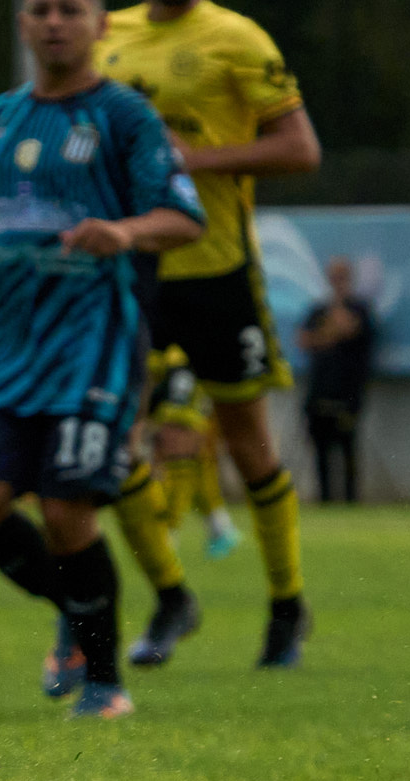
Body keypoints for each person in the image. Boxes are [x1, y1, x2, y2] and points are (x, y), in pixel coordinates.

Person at [0, 0, 206, 722]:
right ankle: (78, 608)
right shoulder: (3, 114)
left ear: (100, 25)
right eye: (40, 10)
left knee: (67, 508)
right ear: (22, 23)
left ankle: (105, 684)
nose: (54, 22)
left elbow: (184, 216)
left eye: (71, 9)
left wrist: (125, 231)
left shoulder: (126, 116)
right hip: (7, 344)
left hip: (94, 343)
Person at [98, 0, 323, 669]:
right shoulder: (105, 33)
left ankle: (286, 605)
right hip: (132, 270)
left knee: (248, 444)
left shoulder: (236, 38)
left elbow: (301, 149)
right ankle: (171, 596)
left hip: (216, 270)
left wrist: (195, 160)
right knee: (112, 442)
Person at [144, 346, 242, 558]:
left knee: (179, 464)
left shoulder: (177, 359)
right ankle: (220, 527)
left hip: (183, 405)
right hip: (193, 400)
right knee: (198, 468)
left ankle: (168, 533)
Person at [298, 256, 376, 505]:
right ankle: (325, 500)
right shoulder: (318, 310)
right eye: (333, 277)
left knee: (348, 448)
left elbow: (348, 330)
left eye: (341, 277)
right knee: (320, 450)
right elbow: (303, 340)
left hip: (348, 391)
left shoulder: (360, 308)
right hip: (320, 389)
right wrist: (331, 332)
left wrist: (326, 333)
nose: (337, 282)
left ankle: (351, 500)